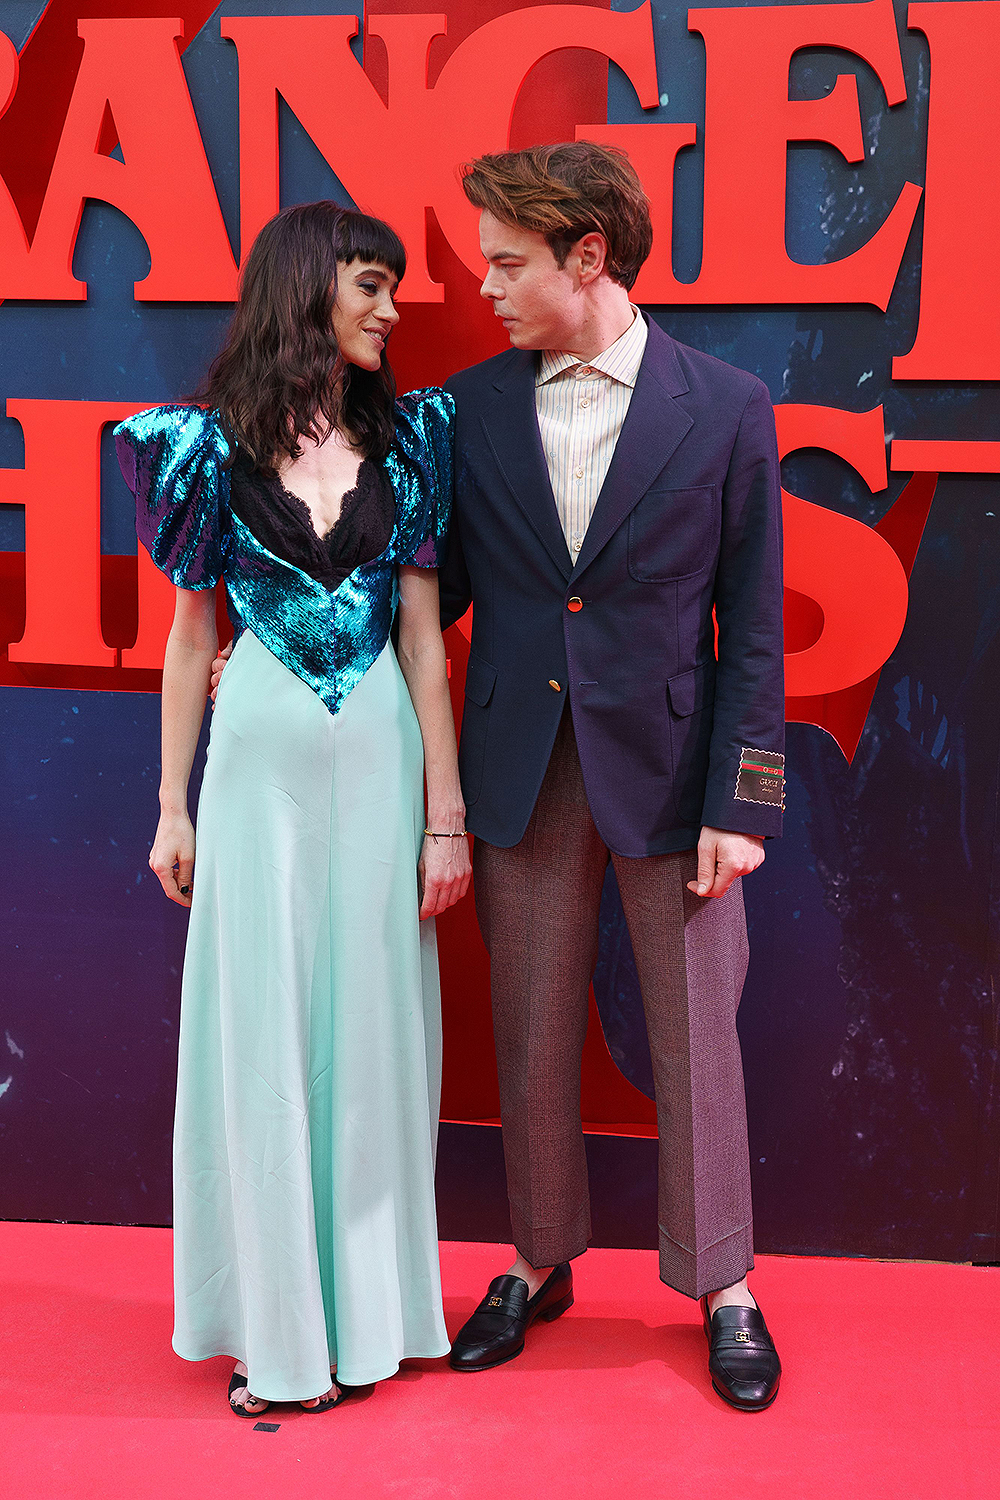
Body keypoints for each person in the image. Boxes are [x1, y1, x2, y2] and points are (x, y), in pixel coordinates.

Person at [438, 143, 785, 1412]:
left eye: (507, 262)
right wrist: (277, 640)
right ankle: (538, 1257)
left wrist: (742, 807)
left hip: (676, 769)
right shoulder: (466, 409)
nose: (485, 286)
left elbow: (751, 621)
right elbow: (437, 596)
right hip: (519, 765)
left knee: (698, 1031)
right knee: (527, 1025)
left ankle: (723, 1281)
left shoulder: (729, 404)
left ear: (589, 257)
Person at [116, 203, 470, 1418]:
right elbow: (187, 641)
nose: (388, 309)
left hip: (379, 767)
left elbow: (425, 646)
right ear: (308, 287)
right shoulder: (200, 451)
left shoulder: (413, 441)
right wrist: (172, 807)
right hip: (254, 775)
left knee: (373, 1039)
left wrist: (445, 814)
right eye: (371, 285)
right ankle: (277, 1336)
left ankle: (370, 1321)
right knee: (262, 1040)